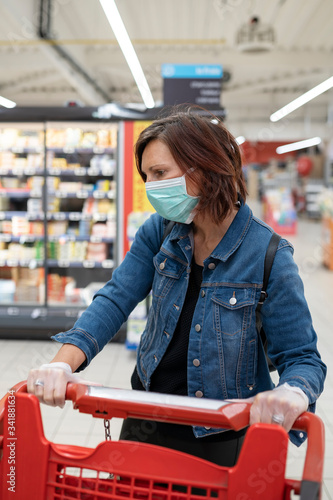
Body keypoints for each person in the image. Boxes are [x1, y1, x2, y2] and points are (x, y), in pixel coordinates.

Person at [27, 107, 326, 467]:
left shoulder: (268, 255)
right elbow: (116, 298)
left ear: (202, 165)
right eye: (146, 176)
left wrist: (292, 391)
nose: (151, 187)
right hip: (147, 414)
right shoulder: (161, 231)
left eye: (160, 173)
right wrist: (62, 365)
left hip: (222, 432)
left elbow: (303, 358)